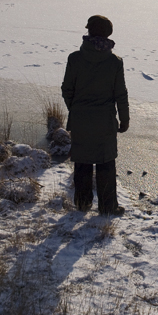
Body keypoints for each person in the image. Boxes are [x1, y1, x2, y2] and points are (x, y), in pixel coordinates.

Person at [61, 15, 129, 216]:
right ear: (108, 34)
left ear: (88, 32)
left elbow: (67, 89)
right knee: (106, 163)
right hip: (105, 122)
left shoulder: (75, 58)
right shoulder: (115, 62)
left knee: (82, 163)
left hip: (81, 121)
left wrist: (76, 109)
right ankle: (108, 207)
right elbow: (120, 94)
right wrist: (124, 119)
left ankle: (82, 204)